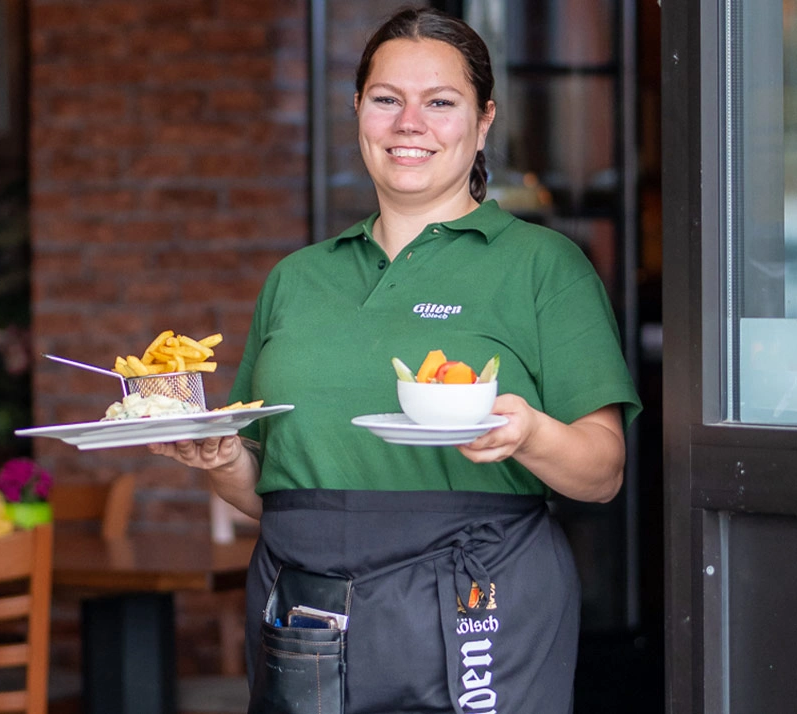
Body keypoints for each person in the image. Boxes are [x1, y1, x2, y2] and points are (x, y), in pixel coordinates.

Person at [150, 6, 641, 714]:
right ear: (359, 112)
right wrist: (223, 460)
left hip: (479, 599)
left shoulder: (543, 266)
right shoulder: (298, 280)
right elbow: (275, 492)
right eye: (387, 100)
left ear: (483, 121)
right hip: (305, 609)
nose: (410, 123)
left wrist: (530, 434)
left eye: (440, 102)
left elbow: (602, 472)